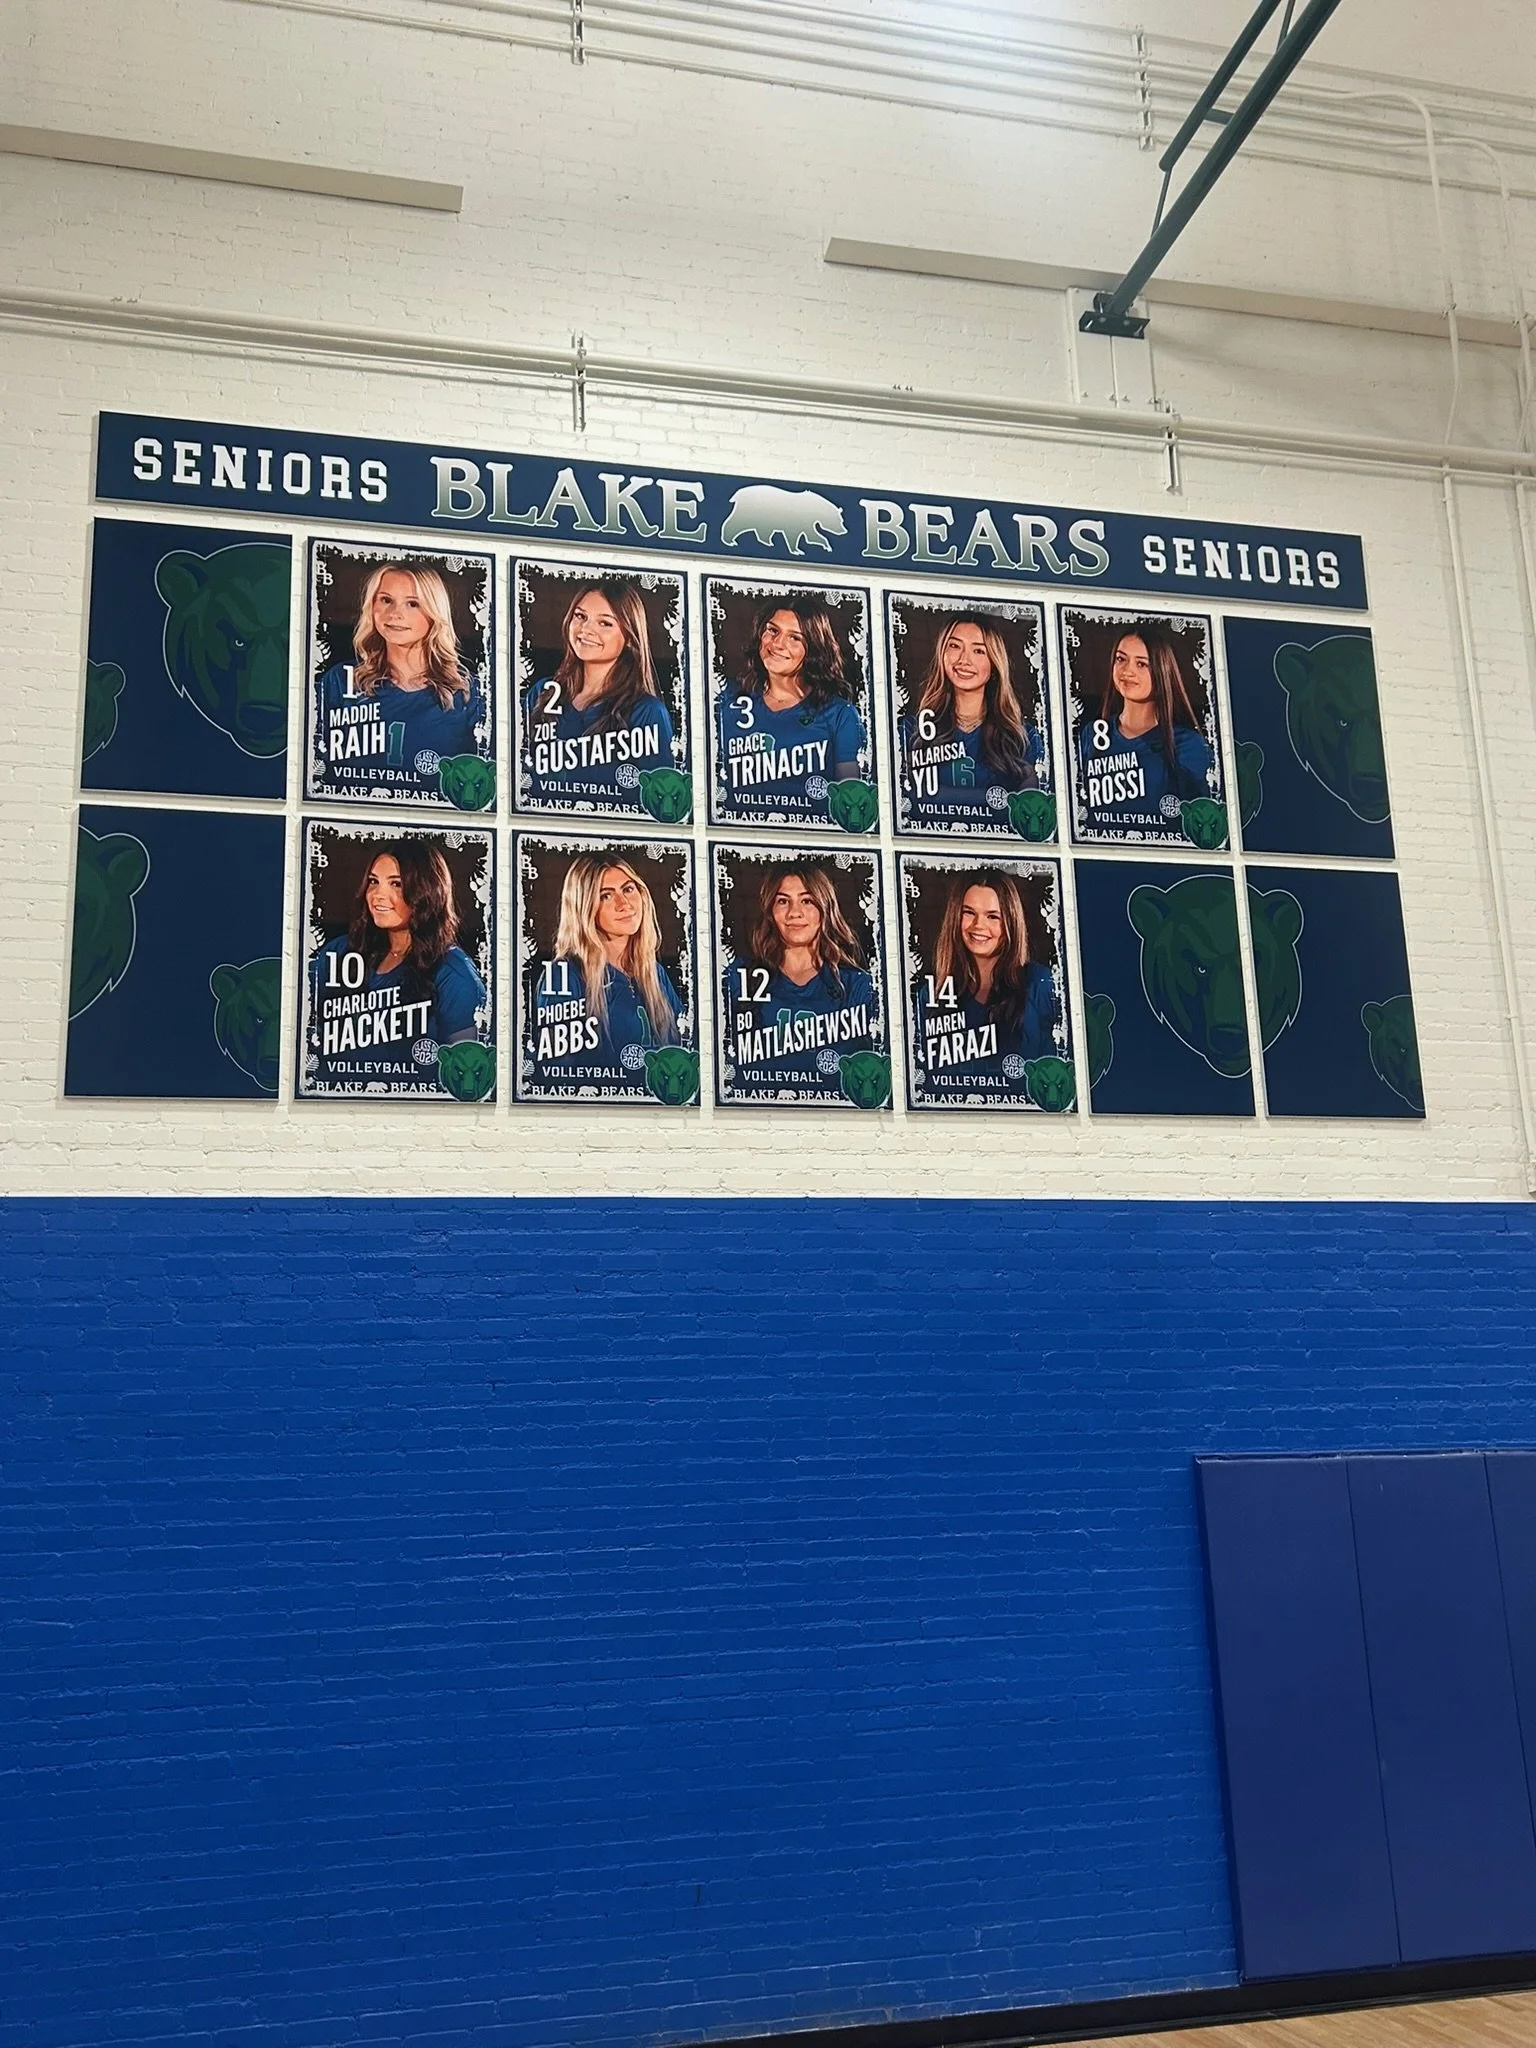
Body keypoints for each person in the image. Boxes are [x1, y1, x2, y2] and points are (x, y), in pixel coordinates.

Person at [308, 840, 487, 1088]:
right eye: (373, 882)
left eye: (396, 884)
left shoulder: (454, 973)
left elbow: (469, 1072)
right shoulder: (341, 952)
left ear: (426, 891)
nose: (378, 895)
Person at [316, 563, 482, 795]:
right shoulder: (342, 680)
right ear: (371, 606)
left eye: (412, 604)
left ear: (434, 612)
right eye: (385, 600)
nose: (395, 614)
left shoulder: (467, 693)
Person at [523, 581, 674, 803]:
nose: (586, 630)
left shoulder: (647, 712)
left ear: (630, 636)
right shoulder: (543, 693)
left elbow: (659, 802)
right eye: (580, 616)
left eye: (604, 623)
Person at [726, 865, 876, 1081]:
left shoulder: (857, 986)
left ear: (825, 908)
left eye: (806, 901)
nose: (794, 912)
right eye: (783, 901)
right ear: (770, 911)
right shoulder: (740, 978)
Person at [718, 596, 866, 814]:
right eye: (773, 630)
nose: (777, 644)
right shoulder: (726, 701)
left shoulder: (839, 715)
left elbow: (851, 797)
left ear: (813, 648)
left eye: (795, 638)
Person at [534, 855, 682, 1070]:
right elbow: (556, 1074)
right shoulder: (563, 975)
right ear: (585, 907)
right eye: (606, 896)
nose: (624, 904)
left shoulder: (655, 973)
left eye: (628, 889)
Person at [917, 872, 1056, 1081]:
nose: (978, 926)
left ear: (1011, 921)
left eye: (992, 916)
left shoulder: (1041, 985)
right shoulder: (932, 993)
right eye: (969, 913)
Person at [1076, 623, 1214, 830]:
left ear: (1161, 670)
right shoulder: (1093, 734)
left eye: (1141, 664)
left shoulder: (1187, 744)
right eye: (1121, 659)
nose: (1127, 671)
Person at [901, 615, 1040, 817]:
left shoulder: (1023, 737)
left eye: (978, 651)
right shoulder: (911, 732)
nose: (964, 660)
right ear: (942, 654)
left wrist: (941, 796)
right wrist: (993, 799)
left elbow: (1030, 808)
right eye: (955, 646)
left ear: (994, 663)